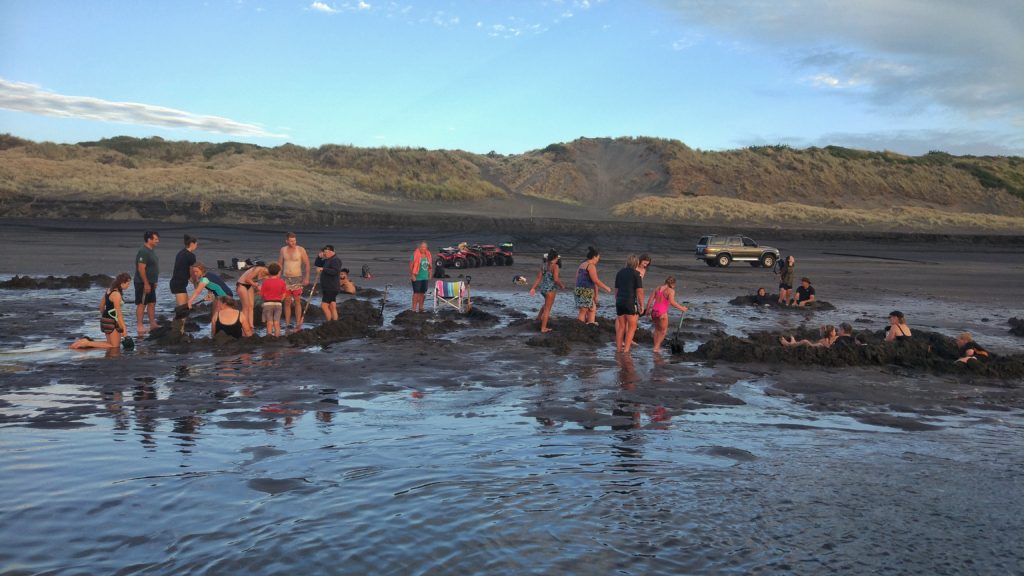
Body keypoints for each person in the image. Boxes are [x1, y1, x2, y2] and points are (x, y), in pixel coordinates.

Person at [71, 273, 132, 351]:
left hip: (105, 319)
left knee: (110, 343)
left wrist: (105, 317)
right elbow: (119, 314)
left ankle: (86, 343)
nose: (128, 285)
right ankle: (86, 343)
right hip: (112, 321)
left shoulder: (109, 290)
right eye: (128, 283)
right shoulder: (116, 295)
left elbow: (101, 306)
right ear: (122, 283)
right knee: (115, 346)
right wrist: (124, 329)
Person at [645, 276, 689, 353]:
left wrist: (647, 310)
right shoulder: (670, 291)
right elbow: (672, 302)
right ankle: (656, 348)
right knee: (663, 331)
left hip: (654, 311)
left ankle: (656, 347)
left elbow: (650, 299)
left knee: (657, 330)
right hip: (662, 313)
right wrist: (682, 308)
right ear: (673, 284)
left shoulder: (658, 288)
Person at [278, 232, 311, 331]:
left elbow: (307, 264)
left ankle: (298, 323)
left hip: (297, 277)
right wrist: (277, 279)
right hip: (286, 277)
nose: (293, 242)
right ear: (287, 241)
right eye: (291, 241)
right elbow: (279, 264)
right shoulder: (283, 250)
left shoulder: (300, 249)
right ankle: (287, 323)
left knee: (297, 301)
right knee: (287, 301)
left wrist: (306, 278)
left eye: (294, 240)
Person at [529, 249, 565, 333]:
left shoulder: (544, 265)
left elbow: (538, 278)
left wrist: (533, 288)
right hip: (550, 290)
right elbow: (556, 279)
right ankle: (543, 328)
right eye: (557, 258)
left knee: (546, 304)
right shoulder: (555, 266)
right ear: (555, 257)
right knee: (547, 309)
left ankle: (538, 317)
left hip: (543, 289)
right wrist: (561, 285)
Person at [614, 254, 645, 353]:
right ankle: (626, 350)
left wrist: (618, 300)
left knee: (621, 327)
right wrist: (641, 305)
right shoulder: (636, 274)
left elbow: (616, 290)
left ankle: (618, 350)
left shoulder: (619, 273)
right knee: (632, 327)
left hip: (619, 301)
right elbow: (639, 291)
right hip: (630, 302)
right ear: (636, 263)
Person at [575, 247, 612, 325]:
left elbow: (577, 278)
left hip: (579, 289)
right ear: (594, 257)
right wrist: (606, 287)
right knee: (583, 311)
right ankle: (579, 327)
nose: (598, 260)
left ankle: (590, 323)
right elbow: (595, 280)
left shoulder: (582, 264)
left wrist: (595, 295)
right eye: (598, 258)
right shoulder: (591, 266)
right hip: (585, 290)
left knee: (592, 308)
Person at [134, 230, 160, 336]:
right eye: (156, 239)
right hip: (142, 283)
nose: (158, 241)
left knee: (152, 303)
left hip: (151, 282)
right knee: (142, 303)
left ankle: (152, 324)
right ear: (149, 240)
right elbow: (141, 268)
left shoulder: (151, 250)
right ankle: (139, 325)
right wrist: (146, 283)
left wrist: (154, 282)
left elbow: (152, 267)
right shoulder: (143, 251)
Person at [235, 263, 270, 334]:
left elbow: (267, 283)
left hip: (249, 286)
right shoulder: (258, 269)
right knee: (246, 307)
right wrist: (256, 286)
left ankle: (251, 325)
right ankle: (243, 325)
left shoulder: (266, 274)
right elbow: (247, 279)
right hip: (242, 284)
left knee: (251, 306)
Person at [314, 245, 343, 322]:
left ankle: (329, 323)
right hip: (329, 287)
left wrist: (323, 269)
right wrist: (319, 257)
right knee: (332, 306)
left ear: (330, 251)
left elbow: (335, 271)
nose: (324, 254)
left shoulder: (335, 260)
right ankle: (335, 322)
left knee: (324, 306)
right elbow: (317, 264)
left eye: (325, 252)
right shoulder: (328, 260)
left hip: (331, 287)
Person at [260, 263, 287, 337]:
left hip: (268, 303)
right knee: (276, 322)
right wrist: (280, 300)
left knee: (269, 322)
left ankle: (269, 337)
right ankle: (277, 337)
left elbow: (261, 294)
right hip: (278, 304)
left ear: (268, 272)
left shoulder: (265, 282)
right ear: (278, 272)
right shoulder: (282, 282)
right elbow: (284, 294)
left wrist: (264, 300)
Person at [170, 234, 198, 308]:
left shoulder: (181, 253)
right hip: (178, 284)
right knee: (182, 309)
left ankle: (181, 319)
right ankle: (178, 319)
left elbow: (183, 269)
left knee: (186, 307)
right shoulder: (191, 256)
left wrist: (191, 280)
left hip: (177, 283)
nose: (196, 246)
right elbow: (192, 272)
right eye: (196, 244)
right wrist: (195, 283)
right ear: (192, 244)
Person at [409, 241, 432, 312]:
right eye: (422, 247)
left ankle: (421, 307)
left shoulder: (428, 254)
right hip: (417, 277)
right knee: (416, 293)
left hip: (425, 277)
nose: (423, 248)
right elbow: (411, 266)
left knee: (422, 293)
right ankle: (413, 308)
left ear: (426, 248)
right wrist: (412, 275)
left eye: (424, 247)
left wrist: (430, 273)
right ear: (419, 247)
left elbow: (429, 265)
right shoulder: (415, 255)